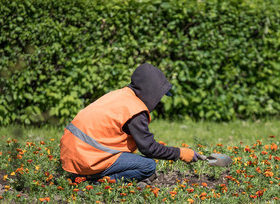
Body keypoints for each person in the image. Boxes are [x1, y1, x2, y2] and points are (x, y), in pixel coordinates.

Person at [60, 63, 205, 183]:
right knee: (148, 166)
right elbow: (149, 149)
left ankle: (87, 174)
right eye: (159, 95)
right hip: (86, 158)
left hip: (72, 153)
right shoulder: (135, 110)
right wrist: (180, 153)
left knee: (136, 162)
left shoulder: (120, 95)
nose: (158, 101)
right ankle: (97, 182)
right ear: (151, 91)